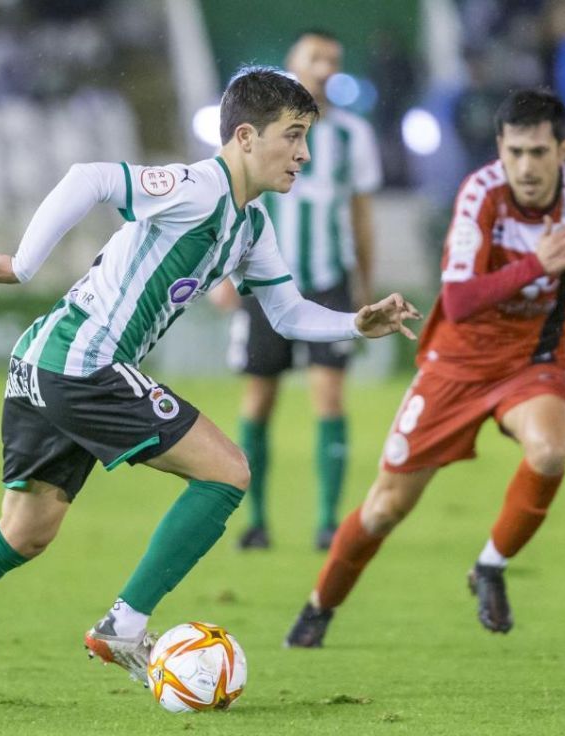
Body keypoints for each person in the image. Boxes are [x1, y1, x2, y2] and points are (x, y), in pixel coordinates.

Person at [0, 66, 420, 705]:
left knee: (22, 534)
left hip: (45, 360)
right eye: (294, 135)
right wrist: (20, 265)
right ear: (246, 136)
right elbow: (90, 178)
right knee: (226, 473)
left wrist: (356, 325)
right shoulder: (198, 187)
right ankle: (125, 627)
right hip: (85, 363)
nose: (304, 153)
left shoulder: (250, 227)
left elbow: (286, 313)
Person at [285, 89, 565, 647]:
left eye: (539, 152)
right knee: (385, 507)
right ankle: (318, 608)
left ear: (562, 150)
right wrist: (535, 264)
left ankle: (490, 566)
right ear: (500, 146)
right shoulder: (481, 194)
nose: (526, 165)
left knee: (550, 447)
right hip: (454, 366)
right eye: (515, 151)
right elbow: (461, 298)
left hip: (532, 362)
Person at [211, 30, 382, 552]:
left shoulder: (352, 135)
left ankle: (329, 522)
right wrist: (221, 273)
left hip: (328, 280)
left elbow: (359, 213)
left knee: (329, 396)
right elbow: (229, 197)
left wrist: (364, 282)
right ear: (293, 63)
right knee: (259, 397)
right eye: (315, 57)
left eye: (333, 59)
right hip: (262, 282)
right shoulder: (257, 131)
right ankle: (256, 521)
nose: (325, 67)